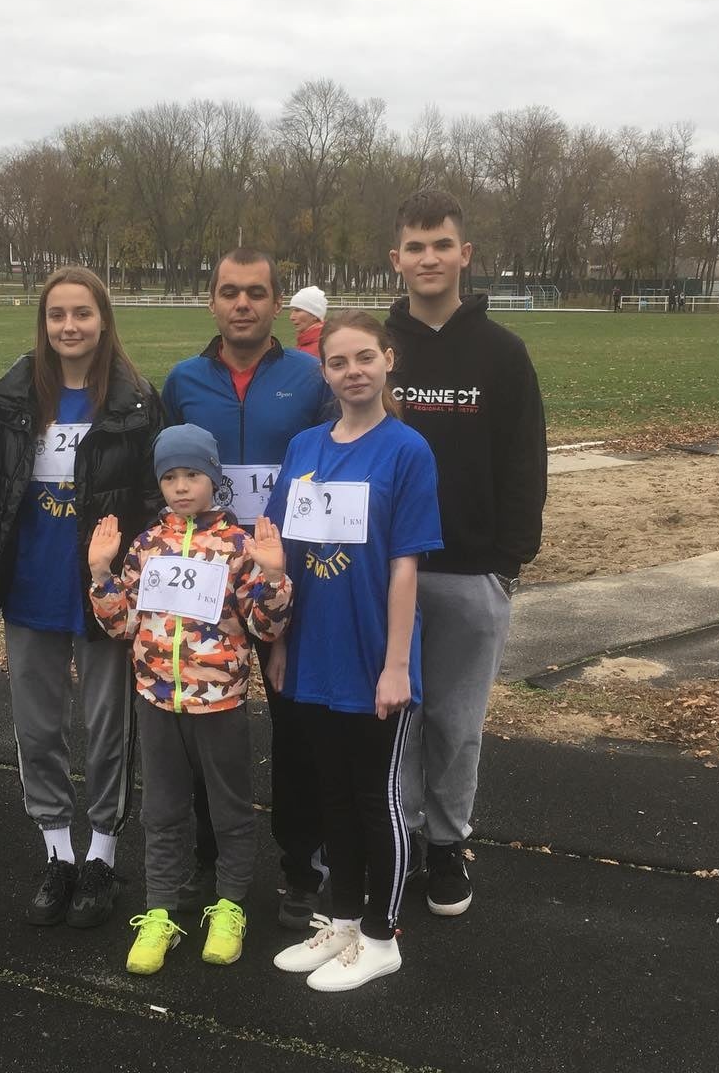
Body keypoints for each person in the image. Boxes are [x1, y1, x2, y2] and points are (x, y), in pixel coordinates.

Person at [0, 266, 163, 929]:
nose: (69, 326)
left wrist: (137, 588)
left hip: (105, 599)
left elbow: (151, 504)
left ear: (103, 320)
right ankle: (58, 850)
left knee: (108, 729)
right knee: (38, 728)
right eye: (57, 315)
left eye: (82, 313)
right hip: (32, 591)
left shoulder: (136, 401)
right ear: (43, 323)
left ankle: (102, 852)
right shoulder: (14, 397)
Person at [265, 310, 442, 992]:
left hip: (373, 657)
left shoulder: (406, 450)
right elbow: (284, 559)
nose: (352, 372)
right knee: (331, 795)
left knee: (375, 798)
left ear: (388, 360)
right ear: (324, 371)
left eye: (364, 357)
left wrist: (396, 665)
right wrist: (280, 642)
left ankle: (380, 935)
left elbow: (404, 567)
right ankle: (341, 920)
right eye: (338, 362)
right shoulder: (304, 447)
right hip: (313, 653)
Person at [160, 248, 333, 931]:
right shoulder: (183, 380)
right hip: (205, 583)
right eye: (229, 292)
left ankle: (302, 867)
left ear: (276, 303)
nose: (242, 304)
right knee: (204, 724)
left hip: (285, 578)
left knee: (298, 726)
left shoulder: (309, 378)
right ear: (211, 301)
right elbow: (166, 479)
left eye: (256, 293)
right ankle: (208, 859)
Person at [385, 188, 546, 918]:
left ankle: (447, 843)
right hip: (387, 574)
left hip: (471, 570)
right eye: (416, 247)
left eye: (442, 245)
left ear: (464, 254)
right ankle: (400, 837)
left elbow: (525, 461)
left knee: (455, 723)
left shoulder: (502, 354)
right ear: (397, 259)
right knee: (395, 718)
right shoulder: (375, 349)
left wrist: (507, 562)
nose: (429, 258)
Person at [87, 424, 293, 974]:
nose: (181, 487)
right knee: (161, 810)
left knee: (229, 809)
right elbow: (122, 625)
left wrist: (274, 578)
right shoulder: (145, 546)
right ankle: (160, 911)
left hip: (219, 702)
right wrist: (101, 573)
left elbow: (266, 628)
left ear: (214, 479)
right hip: (157, 701)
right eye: (170, 477)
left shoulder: (239, 546)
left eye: (193, 475)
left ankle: (230, 907)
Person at [288, 285, 328, 356]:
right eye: (292, 311)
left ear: (314, 315)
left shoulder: (321, 349)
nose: (291, 317)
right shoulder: (306, 341)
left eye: (297, 310)